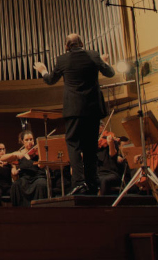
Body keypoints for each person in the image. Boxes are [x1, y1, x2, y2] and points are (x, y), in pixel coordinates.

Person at [34, 33, 114, 195]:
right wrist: (104, 62)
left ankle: (79, 183)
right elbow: (110, 73)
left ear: (66, 46)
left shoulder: (62, 60)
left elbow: (50, 80)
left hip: (74, 109)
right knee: (91, 146)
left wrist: (43, 70)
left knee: (74, 144)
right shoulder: (93, 55)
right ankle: (93, 182)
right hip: (92, 108)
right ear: (82, 43)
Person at [3, 130, 47, 206]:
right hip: (25, 178)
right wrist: (16, 154)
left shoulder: (38, 150)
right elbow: (2, 158)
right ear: (22, 141)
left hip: (38, 177)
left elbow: (42, 165)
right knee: (15, 185)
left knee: (41, 184)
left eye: (31, 139)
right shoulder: (20, 153)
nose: (29, 142)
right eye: (26, 140)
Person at [97, 124, 125, 196]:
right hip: (98, 174)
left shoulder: (111, 140)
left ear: (103, 127)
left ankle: (102, 205)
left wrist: (111, 144)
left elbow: (112, 154)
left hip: (112, 174)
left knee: (104, 181)